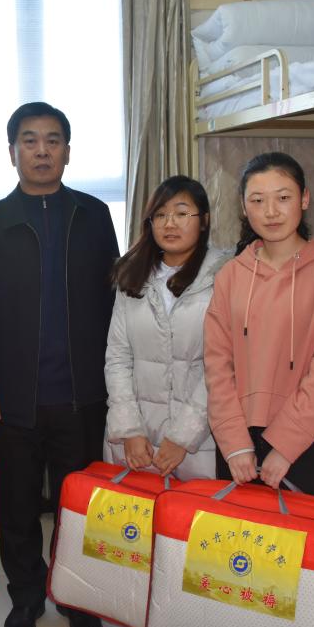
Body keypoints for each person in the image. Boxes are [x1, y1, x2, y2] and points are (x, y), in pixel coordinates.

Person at [0, 102, 119, 627]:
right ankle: (25, 598)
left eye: (53, 140)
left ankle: (76, 597)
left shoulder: (93, 216)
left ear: (68, 151)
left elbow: (116, 301)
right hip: (12, 398)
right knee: (17, 508)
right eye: (30, 140)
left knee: (79, 507)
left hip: (82, 395)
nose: (42, 151)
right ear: (12, 152)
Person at [203, 152, 314, 499]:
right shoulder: (230, 275)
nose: (271, 212)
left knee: (305, 533)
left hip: (309, 436)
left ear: (304, 199)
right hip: (239, 440)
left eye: (283, 197)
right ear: (244, 207)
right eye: (258, 201)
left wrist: (286, 446)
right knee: (239, 532)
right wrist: (234, 442)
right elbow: (216, 365)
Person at [104, 176, 229, 481]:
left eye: (182, 213)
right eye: (160, 215)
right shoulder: (132, 274)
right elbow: (118, 357)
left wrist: (182, 437)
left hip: (200, 443)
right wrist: (129, 429)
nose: (170, 223)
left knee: (193, 512)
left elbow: (225, 367)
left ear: (204, 220)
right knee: (134, 510)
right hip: (137, 443)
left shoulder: (226, 276)